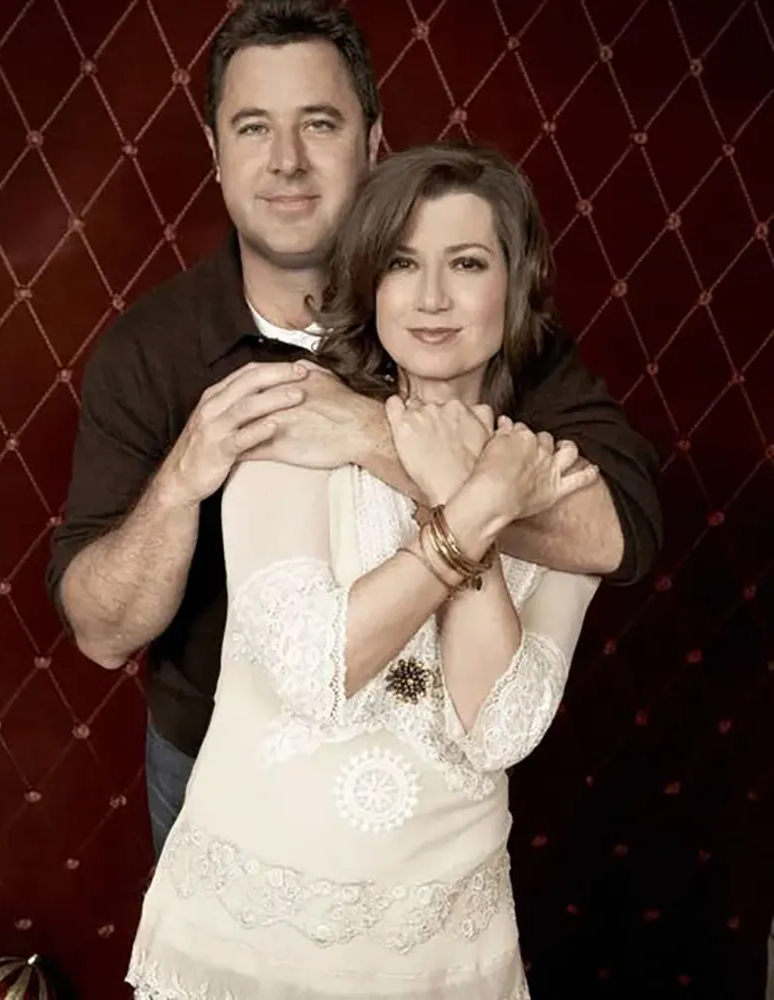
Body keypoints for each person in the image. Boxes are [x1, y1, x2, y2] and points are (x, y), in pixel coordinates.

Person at [46, 0, 661, 860]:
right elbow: (103, 632)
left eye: (319, 123)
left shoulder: (470, 323)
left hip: (432, 774)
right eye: (254, 127)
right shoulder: (150, 350)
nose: (286, 160)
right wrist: (182, 481)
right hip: (217, 762)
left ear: (373, 143)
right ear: (216, 153)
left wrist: (375, 436)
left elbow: (622, 531)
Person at [127, 141, 602, 999]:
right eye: (401, 263)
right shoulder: (295, 424)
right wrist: (470, 507)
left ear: (517, 283)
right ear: (369, 282)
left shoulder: (548, 479)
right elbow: (318, 668)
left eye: (467, 263)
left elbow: (497, 730)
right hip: (248, 937)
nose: (430, 297)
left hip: (441, 947)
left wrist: (469, 488)